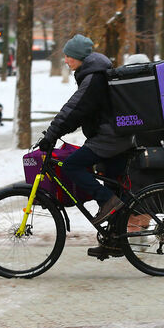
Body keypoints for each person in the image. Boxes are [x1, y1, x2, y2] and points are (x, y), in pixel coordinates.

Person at [38, 34, 134, 228]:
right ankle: (115, 238)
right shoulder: (94, 74)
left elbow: (73, 110)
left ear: (79, 57)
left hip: (109, 138)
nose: (65, 61)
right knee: (115, 187)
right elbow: (81, 113)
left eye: (68, 56)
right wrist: (58, 132)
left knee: (71, 166)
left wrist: (51, 135)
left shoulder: (93, 78)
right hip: (117, 136)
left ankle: (107, 201)